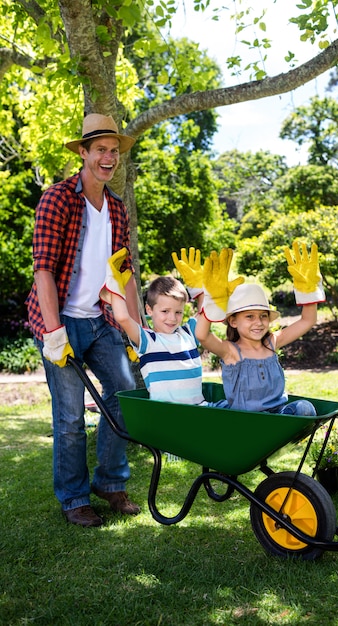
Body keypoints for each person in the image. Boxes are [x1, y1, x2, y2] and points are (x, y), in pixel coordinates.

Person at [26, 113, 141, 527]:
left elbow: (123, 271)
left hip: (100, 319)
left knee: (126, 394)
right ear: (83, 153)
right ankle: (74, 498)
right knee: (71, 416)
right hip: (61, 321)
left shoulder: (116, 207)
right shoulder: (58, 198)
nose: (108, 158)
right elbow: (43, 269)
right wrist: (54, 333)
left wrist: (136, 330)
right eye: (100, 150)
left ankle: (109, 482)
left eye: (114, 151)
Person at [195, 243, 326, 414]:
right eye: (249, 316)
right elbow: (202, 336)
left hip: (276, 414)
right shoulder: (231, 351)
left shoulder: (271, 343)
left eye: (263, 316)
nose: (258, 322)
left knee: (305, 408)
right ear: (233, 322)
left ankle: (281, 428)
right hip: (248, 420)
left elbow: (308, 320)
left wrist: (308, 291)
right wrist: (213, 302)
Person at [100, 247, 226, 407]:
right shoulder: (147, 340)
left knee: (237, 407)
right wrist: (115, 287)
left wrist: (198, 290)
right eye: (165, 311)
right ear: (149, 310)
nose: (172, 318)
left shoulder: (188, 333)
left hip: (200, 410)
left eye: (178, 312)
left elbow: (205, 313)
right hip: (167, 415)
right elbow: (123, 317)